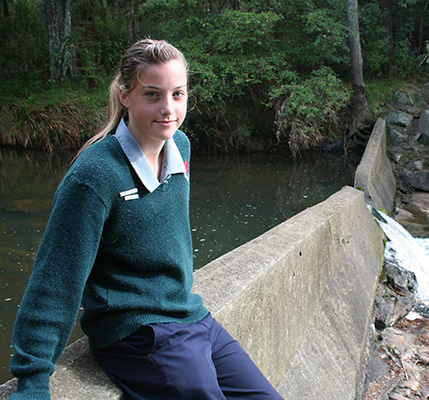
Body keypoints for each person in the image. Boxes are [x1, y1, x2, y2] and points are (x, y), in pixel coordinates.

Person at [9, 39, 284, 400]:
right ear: (125, 96)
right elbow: (56, 280)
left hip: (188, 314)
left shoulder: (181, 147)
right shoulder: (94, 176)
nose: (168, 108)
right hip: (135, 331)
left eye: (178, 94)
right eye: (152, 95)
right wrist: (32, 380)